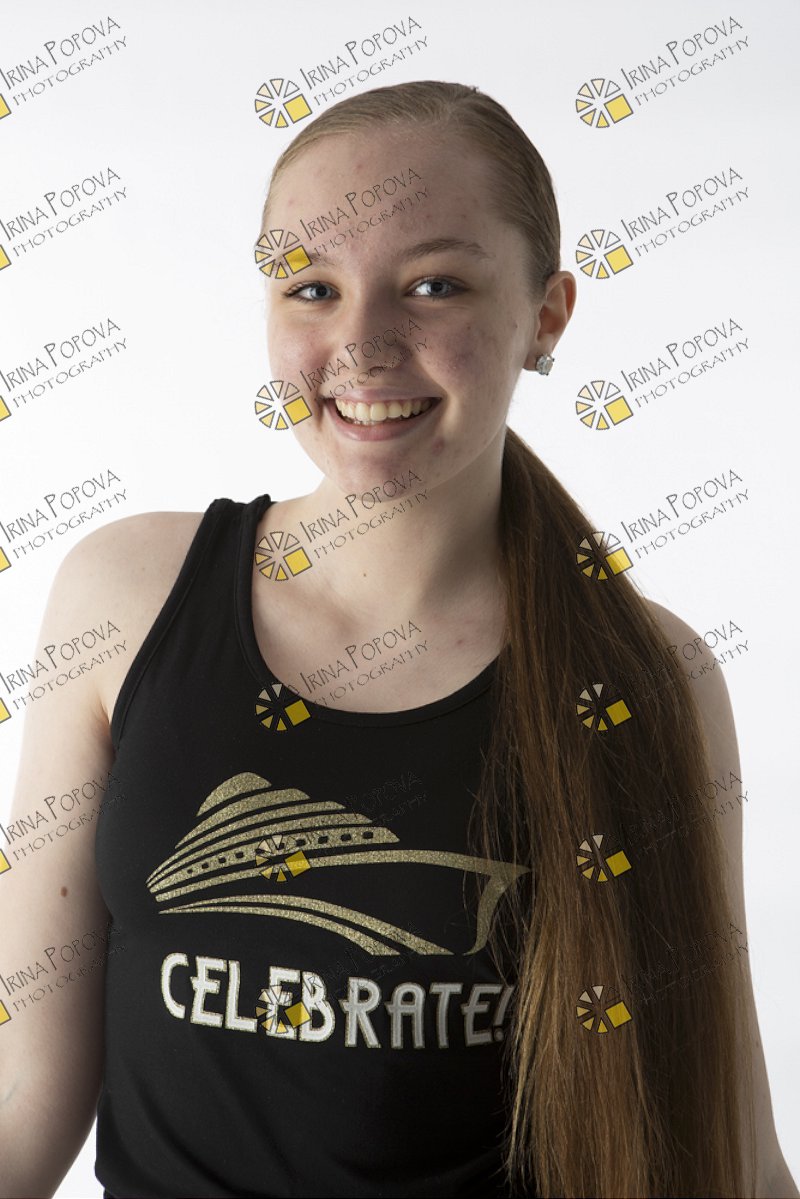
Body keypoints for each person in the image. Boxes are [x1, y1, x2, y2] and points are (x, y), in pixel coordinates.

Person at [0, 79, 795, 1199]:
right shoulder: (125, 597)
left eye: (433, 285)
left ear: (547, 316)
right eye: (312, 287)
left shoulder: (641, 675)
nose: (362, 344)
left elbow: (724, 1142)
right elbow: (23, 1094)